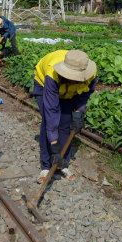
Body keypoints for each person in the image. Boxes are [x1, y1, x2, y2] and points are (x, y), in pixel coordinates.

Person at [33, 49, 97, 183]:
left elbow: (85, 94)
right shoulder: (52, 75)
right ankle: (46, 165)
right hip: (43, 85)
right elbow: (51, 111)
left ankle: (62, 163)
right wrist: (54, 144)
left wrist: (79, 113)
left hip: (69, 93)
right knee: (48, 123)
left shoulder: (90, 73)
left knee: (65, 123)